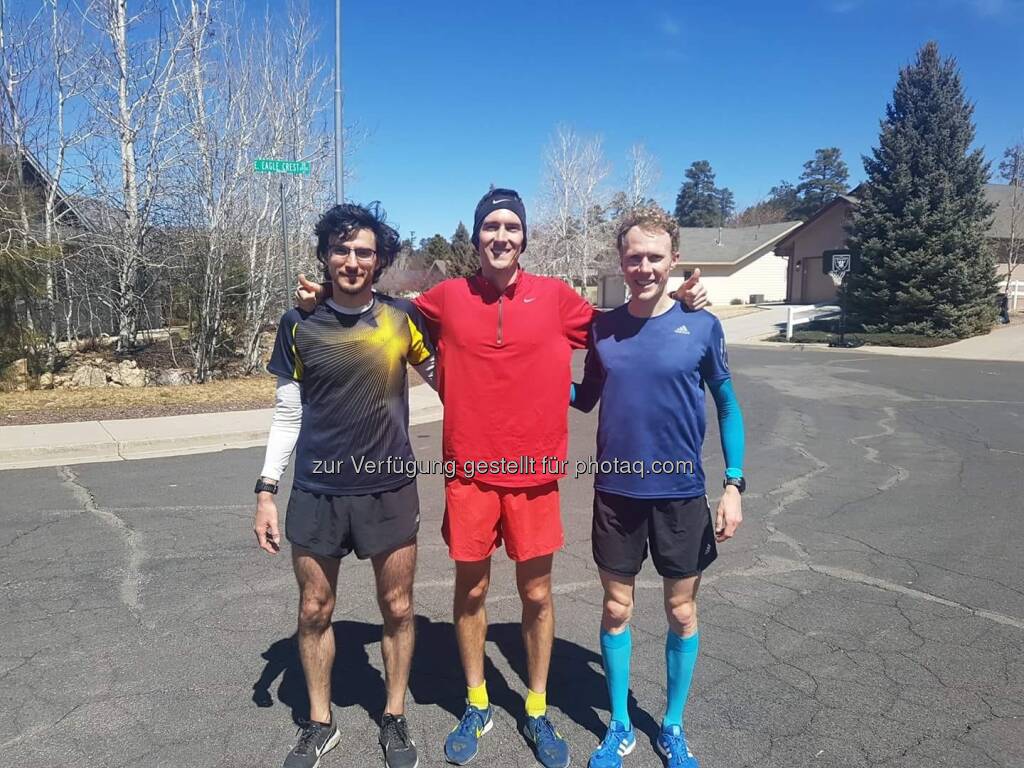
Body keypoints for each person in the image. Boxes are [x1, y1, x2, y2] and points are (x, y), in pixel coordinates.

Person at [296, 188, 708, 768]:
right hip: (470, 475)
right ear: (476, 237)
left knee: (536, 595)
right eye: (491, 226)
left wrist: (677, 298)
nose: (501, 236)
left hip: (534, 476)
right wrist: (323, 295)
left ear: (524, 237)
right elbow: (378, 305)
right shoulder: (445, 298)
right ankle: (478, 702)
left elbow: (624, 323)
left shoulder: (557, 299)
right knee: (472, 593)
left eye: (512, 226)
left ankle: (536, 708)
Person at [254, 202, 435, 768]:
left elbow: (451, 381)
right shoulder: (297, 323)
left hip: (389, 487)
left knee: (398, 606)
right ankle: (319, 722)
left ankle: (394, 714)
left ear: (379, 261)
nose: (352, 261)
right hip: (318, 490)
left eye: (363, 251)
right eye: (341, 250)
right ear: (325, 256)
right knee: (314, 609)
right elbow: (287, 415)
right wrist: (266, 490)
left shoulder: (403, 318)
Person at [570, 207, 745, 768]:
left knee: (681, 611)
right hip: (616, 494)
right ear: (620, 262)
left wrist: (734, 484)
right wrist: (527, 377)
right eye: (633, 257)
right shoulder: (602, 328)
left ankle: (672, 725)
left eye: (654, 257)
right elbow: (584, 398)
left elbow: (727, 405)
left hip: (680, 495)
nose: (643, 267)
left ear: (674, 260)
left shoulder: (702, 326)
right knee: (616, 608)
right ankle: (619, 725)